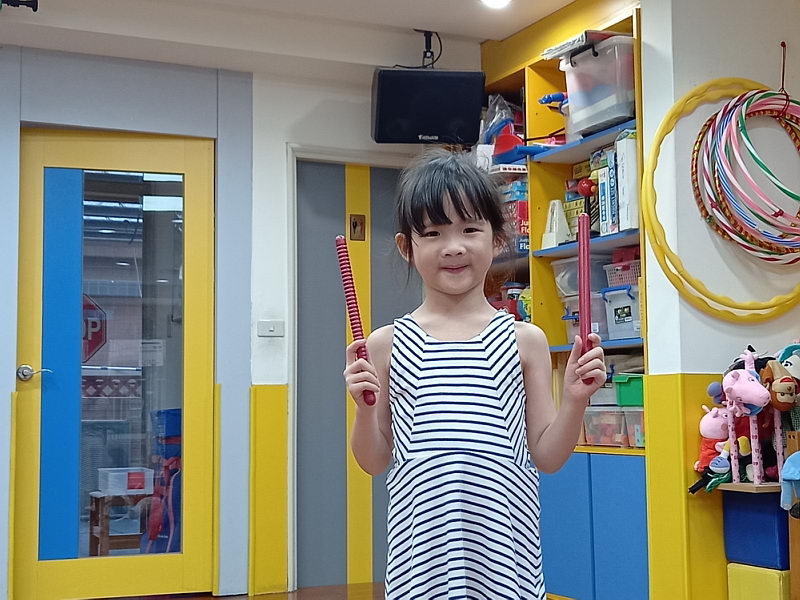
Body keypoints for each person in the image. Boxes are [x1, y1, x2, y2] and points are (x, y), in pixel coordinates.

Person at [343, 149, 606, 599]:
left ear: (497, 238)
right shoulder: (387, 344)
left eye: (469, 229)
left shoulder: (526, 340)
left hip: (506, 566)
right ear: (407, 247)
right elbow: (373, 461)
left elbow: (547, 457)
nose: (454, 246)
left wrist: (576, 400)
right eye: (433, 232)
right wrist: (363, 409)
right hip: (419, 570)